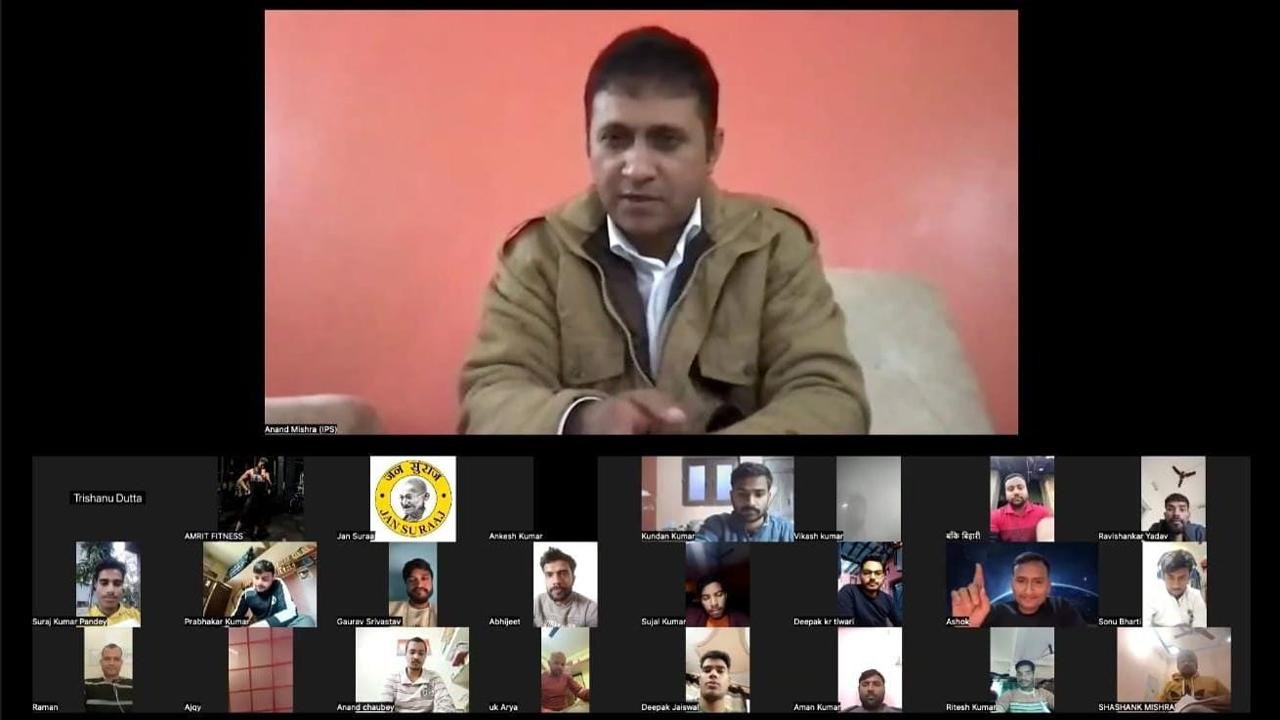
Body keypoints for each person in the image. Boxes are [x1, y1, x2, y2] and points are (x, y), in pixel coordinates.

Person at [458, 25, 871, 435]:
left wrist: (700, 467)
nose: (637, 169)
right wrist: (583, 420)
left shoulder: (773, 245)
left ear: (712, 149)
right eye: (614, 139)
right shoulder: (540, 255)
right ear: (588, 144)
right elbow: (489, 398)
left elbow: (829, 398)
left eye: (667, 141)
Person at [950, 554, 1085, 627]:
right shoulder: (992, 613)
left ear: (1048, 586)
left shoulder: (1062, 608)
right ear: (1012, 584)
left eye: (1038, 582)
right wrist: (963, 624)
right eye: (1021, 581)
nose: (1029, 591)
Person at [693, 463, 795, 542]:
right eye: (742, 494)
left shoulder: (786, 530)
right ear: (732, 496)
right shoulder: (716, 525)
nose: (750, 502)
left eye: (759, 494)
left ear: (769, 497)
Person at [379, 636, 460, 712]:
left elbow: (447, 705)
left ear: (425, 656)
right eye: (412, 652)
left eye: (421, 653)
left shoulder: (434, 677)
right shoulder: (392, 679)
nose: (416, 657)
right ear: (405, 654)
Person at [230, 559, 316, 627]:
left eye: (265, 579)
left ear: (273, 577)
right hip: (264, 629)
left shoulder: (278, 583)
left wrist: (264, 625)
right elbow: (235, 619)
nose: (259, 583)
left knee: (307, 620)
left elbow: (291, 612)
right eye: (256, 577)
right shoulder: (247, 594)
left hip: (282, 622)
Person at [533, 548, 599, 627]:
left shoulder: (590, 610)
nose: (556, 581)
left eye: (563, 573)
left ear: (573, 579)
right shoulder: (537, 602)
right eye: (549, 575)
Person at [1144, 549, 1207, 627]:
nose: (1176, 585)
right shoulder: (1151, 595)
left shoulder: (1195, 596)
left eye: (1182, 577)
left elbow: (1201, 627)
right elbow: (1142, 627)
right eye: (1170, 577)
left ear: (1190, 576)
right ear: (1162, 576)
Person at [836, 556, 901, 626]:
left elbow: (898, 622)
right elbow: (843, 626)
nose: (872, 577)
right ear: (860, 575)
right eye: (867, 572)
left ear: (883, 577)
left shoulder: (887, 599)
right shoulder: (848, 592)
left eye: (878, 573)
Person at [989, 474, 1053, 542]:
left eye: (1020, 488)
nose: (1016, 492)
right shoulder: (994, 516)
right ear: (1005, 493)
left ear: (1027, 490)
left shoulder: (1044, 513)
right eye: (1010, 489)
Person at [1156, 649, 1230, 708]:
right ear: (1178, 666)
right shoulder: (1168, 685)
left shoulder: (1212, 681)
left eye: (1190, 660)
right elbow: (1157, 707)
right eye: (1182, 661)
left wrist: (1213, 701)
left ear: (1196, 665)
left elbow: (1229, 700)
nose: (1186, 663)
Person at [86, 557, 142, 627]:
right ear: (95, 584)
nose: (111, 590)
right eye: (104, 583)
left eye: (117, 584)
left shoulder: (136, 617)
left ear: (122, 586)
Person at [84, 643, 134, 713]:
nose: (111, 663)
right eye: (107, 659)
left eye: (116, 659)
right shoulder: (86, 685)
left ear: (121, 663)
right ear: (101, 662)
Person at [388, 558, 438, 627]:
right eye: (412, 580)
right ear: (406, 584)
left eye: (424, 578)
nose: (419, 585)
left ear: (432, 582)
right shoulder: (390, 609)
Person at [234, 458, 274, 539]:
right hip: (252, 497)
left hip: (261, 498)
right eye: (262, 464)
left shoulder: (266, 473)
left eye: (264, 465)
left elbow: (270, 485)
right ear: (259, 462)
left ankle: (255, 535)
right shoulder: (250, 471)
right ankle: (235, 533)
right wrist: (246, 489)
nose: (263, 466)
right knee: (244, 514)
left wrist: (267, 479)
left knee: (258, 517)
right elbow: (240, 480)